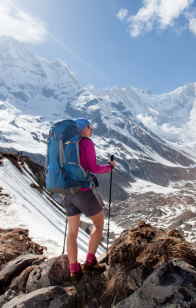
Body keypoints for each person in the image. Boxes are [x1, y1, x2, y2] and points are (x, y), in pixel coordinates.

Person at [64, 118, 116, 284]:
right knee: (99, 224)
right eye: (88, 126)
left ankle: (74, 271)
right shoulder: (86, 143)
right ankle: (89, 262)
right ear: (81, 129)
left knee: (72, 232)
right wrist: (110, 167)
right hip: (83, 191)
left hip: (66, 192)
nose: (91, 129)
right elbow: (93, 168)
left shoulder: (65, 144)